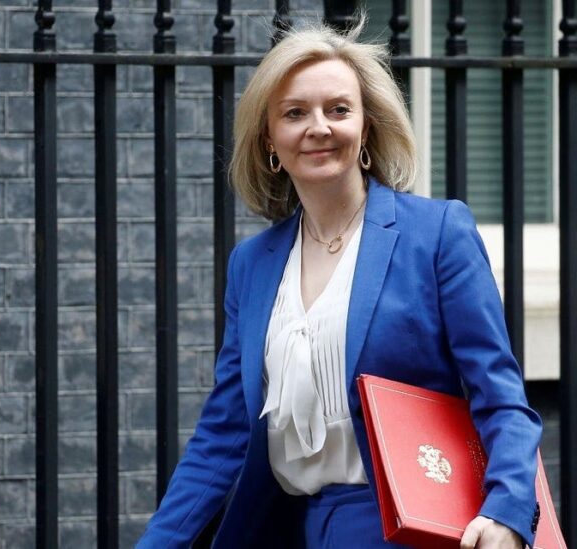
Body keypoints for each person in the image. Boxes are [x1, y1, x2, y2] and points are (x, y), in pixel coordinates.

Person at [136, 18, 542, 549]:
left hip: (399, 530)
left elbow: (500, 394)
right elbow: (224, 431)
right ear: (271, 140)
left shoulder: (437, 234)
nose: (319, 126)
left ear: (366, 127)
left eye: (339, 109)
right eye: (295, 113)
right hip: (283, 530)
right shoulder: (252, 264)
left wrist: (508, 510)